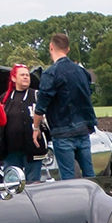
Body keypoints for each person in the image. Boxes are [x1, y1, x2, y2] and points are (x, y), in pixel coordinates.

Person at [32, 32, 98, 179]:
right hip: (83, 129)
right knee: (90, 175)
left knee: (68, 179)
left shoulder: (50, 74)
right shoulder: (82, 72)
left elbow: (41, 106)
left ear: (51, 47)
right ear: (67, 49)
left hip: (62, 131)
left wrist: (36, 128)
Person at [0, 64, 44, 182]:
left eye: (27, 75)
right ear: (14, 78)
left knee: (33, 183)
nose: (25, 77)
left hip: (33, 148)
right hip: (11, 150)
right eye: (22, 75)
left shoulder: (36, 95)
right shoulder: (5, 98)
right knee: (11, 183)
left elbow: (45, 115)